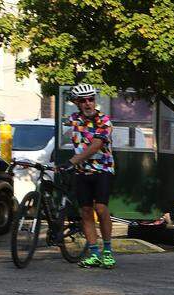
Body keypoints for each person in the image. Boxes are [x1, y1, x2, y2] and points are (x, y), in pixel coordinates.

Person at [66, 84, 117, 269]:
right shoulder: (72, 119)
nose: (88, 103)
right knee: (86, 212)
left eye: (91, 99)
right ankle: (94, 253)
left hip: (102, 170)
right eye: (83, 100)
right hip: (82, 172)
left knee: (101, 208)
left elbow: (96, 145)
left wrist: (73, 160)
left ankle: (108, 252)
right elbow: (62, 136)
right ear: (77, 103)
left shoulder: (104, 120)